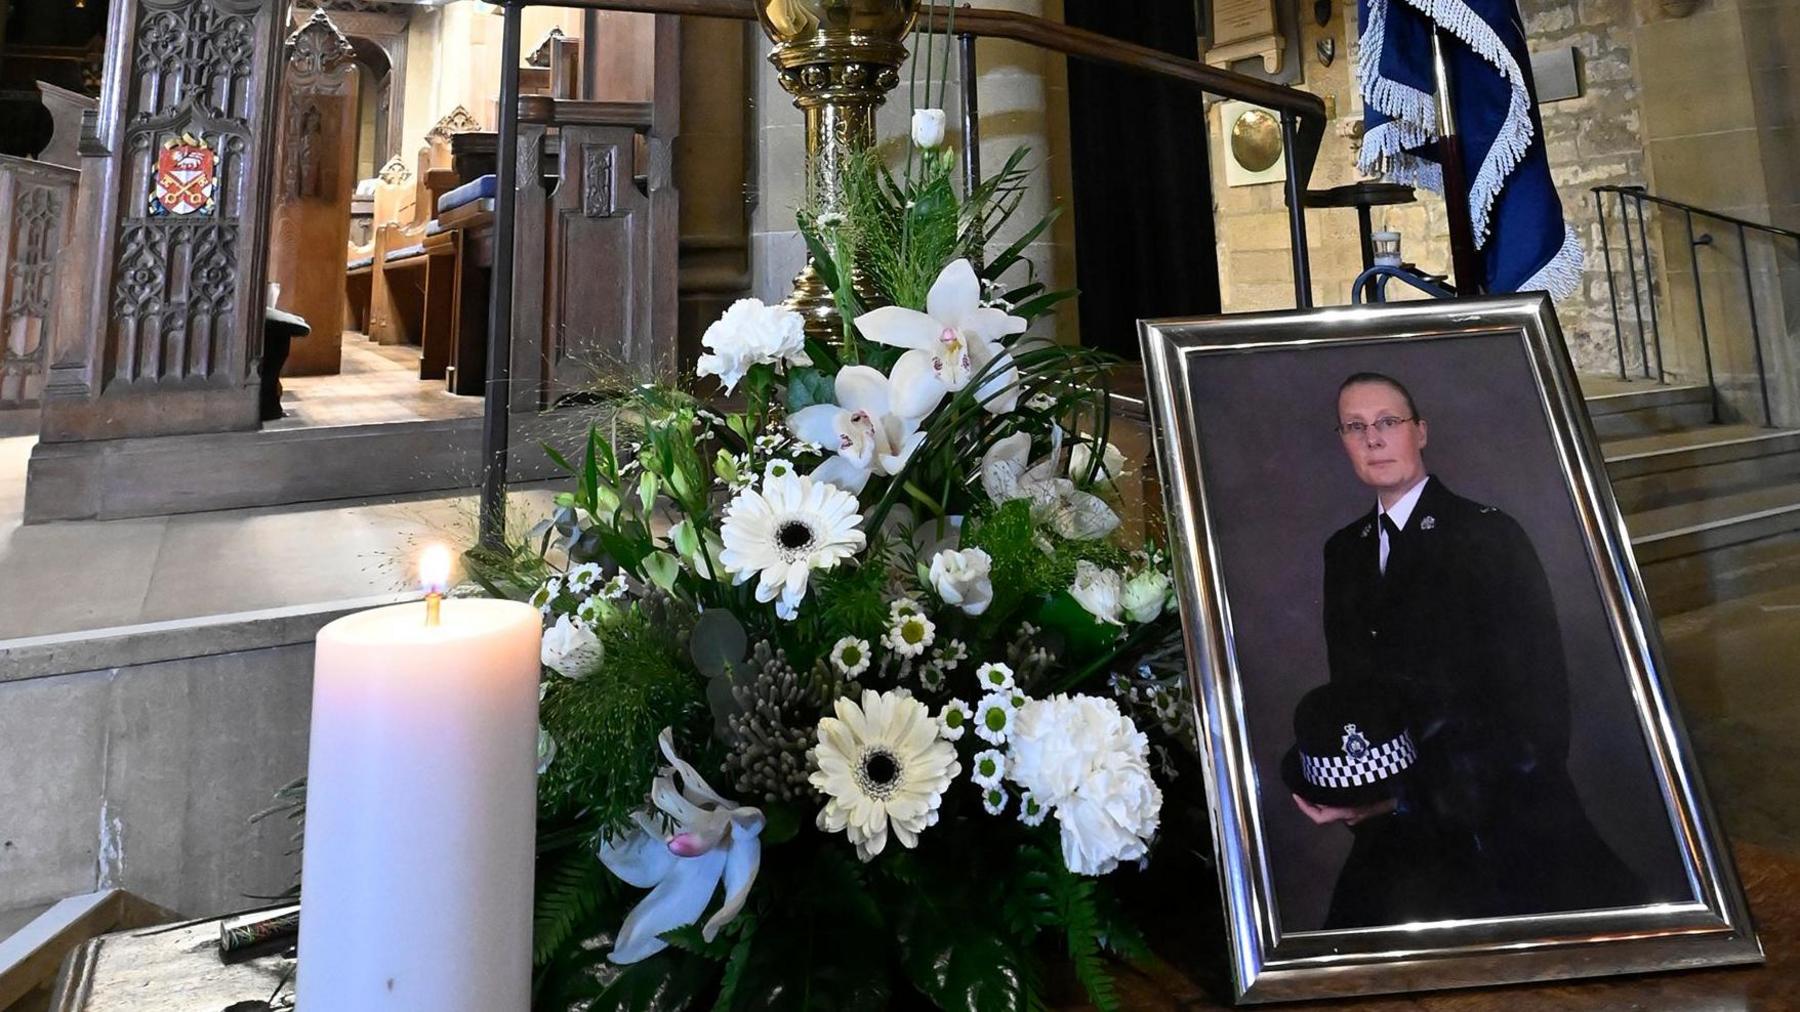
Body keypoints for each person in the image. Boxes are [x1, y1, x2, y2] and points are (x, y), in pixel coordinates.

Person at [1290, 371, 1642, 928]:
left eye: (1388, 422)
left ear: (1420, 432)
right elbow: (1358, 702)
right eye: (1355, 427)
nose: (1373, 439)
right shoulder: (1344, 552)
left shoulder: (1488, 536)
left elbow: (1541, 719)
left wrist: (1405, 799)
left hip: (1498, 816)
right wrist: (1351, 786)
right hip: (1397, 822)